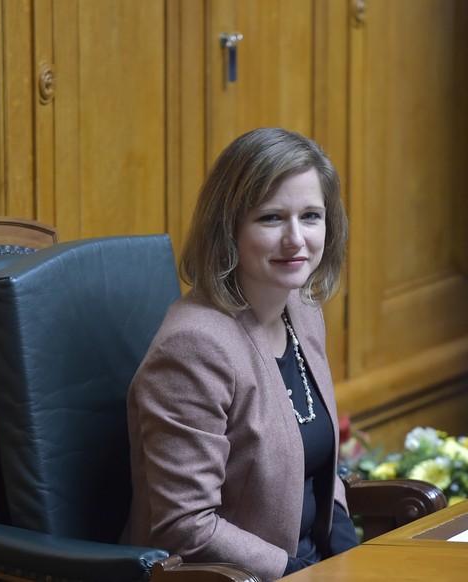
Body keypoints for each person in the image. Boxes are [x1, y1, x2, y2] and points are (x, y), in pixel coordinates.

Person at [122, 127, 358, 581]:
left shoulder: (301, 309)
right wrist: (299, 573)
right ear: (228, 227)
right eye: (271, 218)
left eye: (311, 216)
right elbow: (184, 526)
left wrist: (356, 560)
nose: (296, 240)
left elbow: (318, 471)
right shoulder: (194, 348)